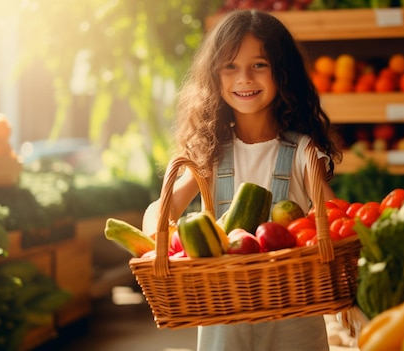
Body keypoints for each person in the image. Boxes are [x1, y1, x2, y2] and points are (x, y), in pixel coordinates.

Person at [142, 8, 342, 351]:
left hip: (293, 310)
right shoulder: (210, 153)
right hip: (224, 311)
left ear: (283, 73)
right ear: (214, 76)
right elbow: (161, 212)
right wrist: (157, 233)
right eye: (230, 66)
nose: (244, 78)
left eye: (259, 65)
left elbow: (335, 216)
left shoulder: (302, 151)